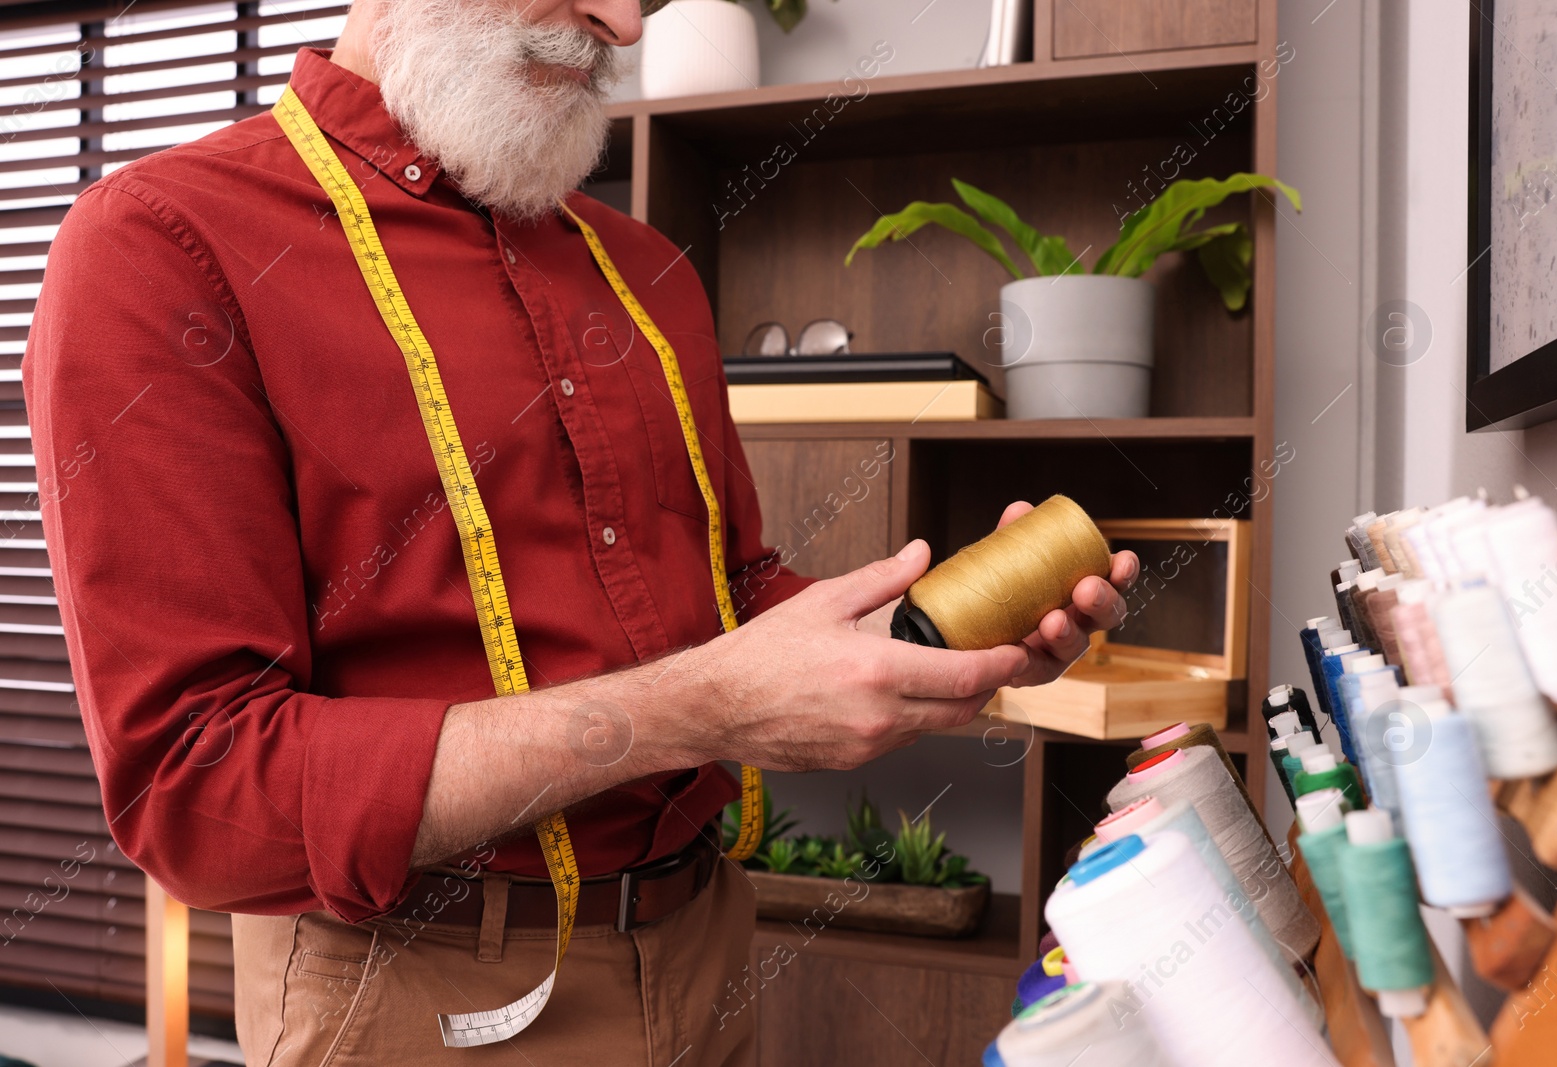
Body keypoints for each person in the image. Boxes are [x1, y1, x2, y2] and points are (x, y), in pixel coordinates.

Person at [22, 0, 1138, 1063]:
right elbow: (198, 785)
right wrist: (703, 704)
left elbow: (729, 587)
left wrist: (935, 635)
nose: (625, 25)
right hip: (412, 992)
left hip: (705, 951)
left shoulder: (645, 272)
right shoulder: (165, 246)